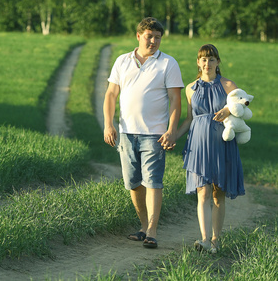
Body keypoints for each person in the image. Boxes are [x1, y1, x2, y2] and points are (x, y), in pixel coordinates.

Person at [103, 17, 183, 249]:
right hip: (126, 133)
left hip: (155, 134)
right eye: (149, 36)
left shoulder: (168, 63)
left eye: (158, 38)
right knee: (133, 182)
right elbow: (110, 95)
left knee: (153, 182)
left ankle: (152, 230)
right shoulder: (122, 61)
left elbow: (175, 100)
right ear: (138, 36)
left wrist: (172, 130)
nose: (154, 41)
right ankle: (142, 226)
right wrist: (109, 125)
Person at [176, 44, 245, 253]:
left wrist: (228, 109)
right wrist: (174, 136)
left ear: (218, 62)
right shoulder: (190, 88)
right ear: (198, 62)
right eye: (203, 59)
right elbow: (189, 119)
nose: (207, 63)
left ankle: (216, 241)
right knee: (202, 192)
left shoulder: (227, 84)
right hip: (198, 144)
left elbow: (243, 104)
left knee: (218, 193)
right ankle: (205, 240)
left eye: (212, 59)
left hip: (222, 144)